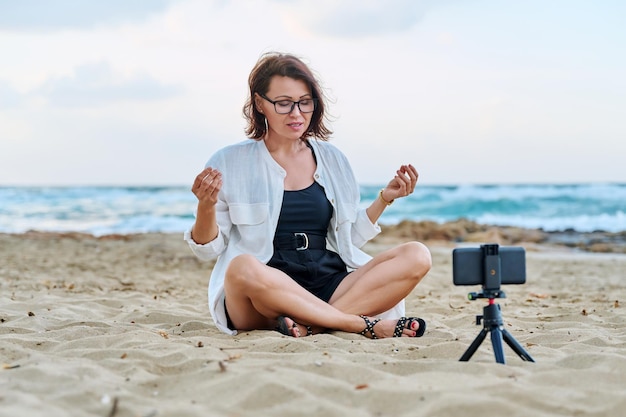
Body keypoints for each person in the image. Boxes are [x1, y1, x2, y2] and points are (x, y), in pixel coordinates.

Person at [184, 52, 432, 339]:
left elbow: (347, 239)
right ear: (260, 104)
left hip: (328, 282)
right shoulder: (229, 161)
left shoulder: (333, 159)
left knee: (417, 254)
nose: (297, 114)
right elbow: (207, 249)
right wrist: (206, 205)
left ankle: (310, 326)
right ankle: (357, 324)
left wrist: (385, 198)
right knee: (241, 267)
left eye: (304, 102)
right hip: (264, 292)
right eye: (284, 103)